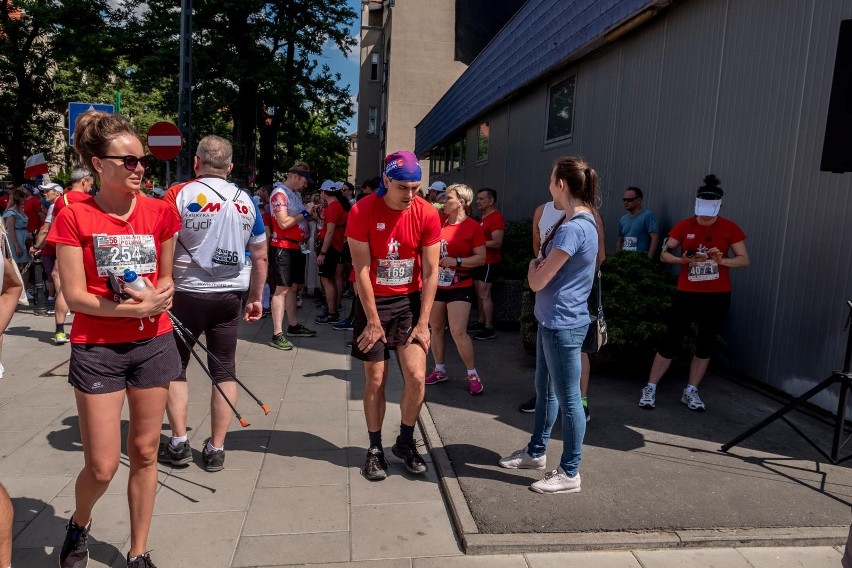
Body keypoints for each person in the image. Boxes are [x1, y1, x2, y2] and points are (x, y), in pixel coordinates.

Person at [48, 110, 180, 568]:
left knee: (145, 451)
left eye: (140, 159)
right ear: (97, 164)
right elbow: (76, 297)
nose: (139, 168)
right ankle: (80, 521)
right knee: (102, 465)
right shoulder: (73, 217)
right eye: (127, 161)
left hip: (154, 343)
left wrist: (158, 296)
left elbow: (166, 278)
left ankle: (138, 551)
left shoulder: (160, 211)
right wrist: (133, 307)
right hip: (97, 348)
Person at [158, 135, 268, 472]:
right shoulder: (246, 201)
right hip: (229, 296)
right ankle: (216, 447)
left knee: (174, 366)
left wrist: (162, 286)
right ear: (230, 167)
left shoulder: (178, 194)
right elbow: (261, 255)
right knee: (224, 369)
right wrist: (254, 298)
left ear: (196, 163)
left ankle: (179, 442)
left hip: (184, 295)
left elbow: (163, 241)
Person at [498, 157, 599, 494]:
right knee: (546, 390)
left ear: (562, 185)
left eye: (551, 178)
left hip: (561, 323)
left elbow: (538, 281)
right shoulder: (581, 223)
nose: (548, 185)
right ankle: (536, 452)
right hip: (554, 320)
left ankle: (570, 472)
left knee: (569, 399)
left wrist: (531, 267)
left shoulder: (573, 228)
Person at [346, 151, 440, 482]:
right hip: (373, 303)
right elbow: (361, 269)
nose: (410, 195)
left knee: (416, 376)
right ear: (386, 181)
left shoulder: (427, 212)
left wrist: (423, 322)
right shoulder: (362, 210)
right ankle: (374, 449)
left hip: (410, 303)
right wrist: (371, 320)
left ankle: (405, 441)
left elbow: (431, 272)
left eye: (416, 187)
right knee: (375, 379)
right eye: (403, 187)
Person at [639, 174, 749, 411]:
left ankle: (691, 390)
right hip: (687, 292)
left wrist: (722, 261)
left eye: (710, 209)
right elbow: (664, 253)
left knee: (705, 342)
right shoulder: (684, 225)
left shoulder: (730, 228)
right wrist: (682, 260)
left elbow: (744, 260)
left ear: (718, 206)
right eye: (702, 208)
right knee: (671, 339)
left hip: (717, 294)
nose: (705, 215)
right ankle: (650, 387)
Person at [519, 200, 606, 420]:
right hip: (545, 289)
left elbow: (599, 256)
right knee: (547, 349)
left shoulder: (588, 216)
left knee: (577, 350)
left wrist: (574, 283)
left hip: (569, 297)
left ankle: (581, 399)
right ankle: (546, 398)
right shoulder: (542, 210)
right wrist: (545, 270)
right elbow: (538, 246)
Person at [424, 183, 486, 395]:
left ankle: (472, 374)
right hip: (436, 284)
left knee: (459, 331)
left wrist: (457, 260)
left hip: (460, 283)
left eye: (448, 198)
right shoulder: (438, 222)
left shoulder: (472, 227)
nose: (443, 201)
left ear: (462, 202)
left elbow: (481, 258)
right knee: (437, 328)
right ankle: (439, 369)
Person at [268, 163, 316, 350]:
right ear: (295, 176)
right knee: (281, 290)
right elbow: (284, 222)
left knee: (293, 288)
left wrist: (310, 214)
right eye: (304, 181)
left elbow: (298, 219)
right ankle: (277, 333)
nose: (305, 185)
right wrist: (305, 212)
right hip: (283, 246)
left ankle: (293, 325)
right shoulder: (279, 194)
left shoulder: (294, 194)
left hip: (296, 247)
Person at [468, 188, 504, 340]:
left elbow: (497, 242)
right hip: (480, 261)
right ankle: (481, 321)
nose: (478, 201)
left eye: (482, 199)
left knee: (484, 294)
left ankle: (489, 328)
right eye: (478, 198)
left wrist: (477, 244)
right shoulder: (484, 218)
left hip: (489, 262)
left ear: (491, 201)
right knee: (479, 293)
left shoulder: (496, 217)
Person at [315, 180, 351, 325]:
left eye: (321, 191)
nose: (320, 194)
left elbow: (329, 232)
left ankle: (331, 312)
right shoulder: (336, 205)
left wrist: (322, 253)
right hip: (334, 246)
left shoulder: (333, 207)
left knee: (327, 280)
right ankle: (332, 310)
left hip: (330, 248)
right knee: (330, 279)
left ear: (325, 192)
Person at [29, 182, 64, 329]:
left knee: (56, 274)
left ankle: (63, 306)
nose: (44, 194)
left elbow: (46, 230)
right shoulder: (61, 204)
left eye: (47, 191)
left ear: (57, 193)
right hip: (69, 245)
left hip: (65, 246)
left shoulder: (54, 207)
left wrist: (36, 246)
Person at [615, 186, 659, 259]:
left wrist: (648, 259)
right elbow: (620, 240)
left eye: (629, 200)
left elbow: (655, 239)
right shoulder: (623, 219)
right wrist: (617, 258)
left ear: (639, 200)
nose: (626, 202)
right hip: (625, 260)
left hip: (639, 261)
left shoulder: (648, 216)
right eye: (624, 200)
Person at [3, 190, 31, 299]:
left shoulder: (20, 211)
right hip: (16, 239)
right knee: (16, 266)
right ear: (18, 199)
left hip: (23, 237)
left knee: (25, 266)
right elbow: (11, 230)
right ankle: (19, 290)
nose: (25, 200)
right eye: (23, 198)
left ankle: (25, 289)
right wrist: (17, 246)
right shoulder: (11, 213)